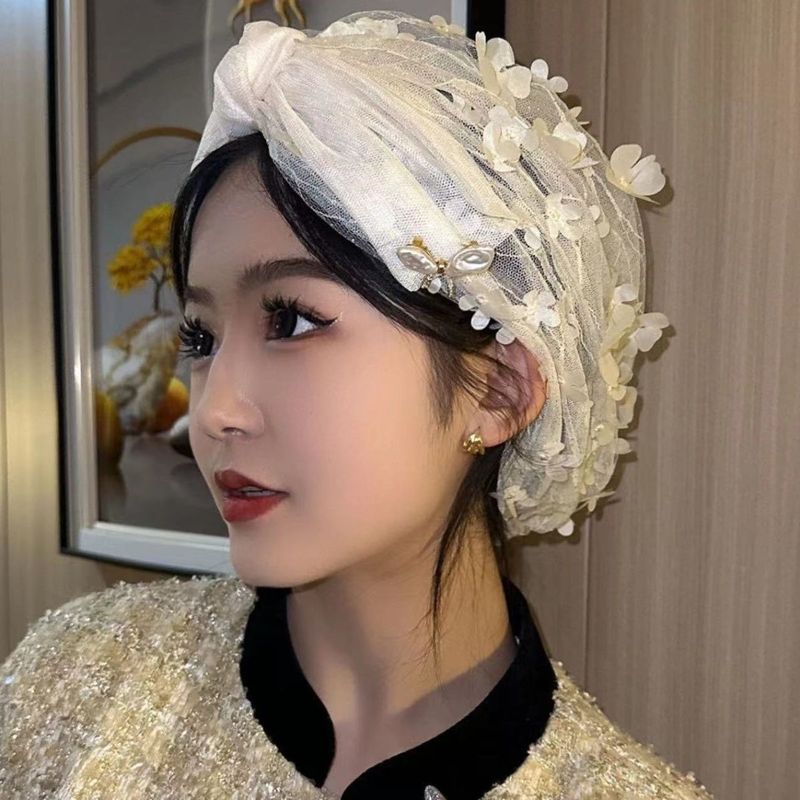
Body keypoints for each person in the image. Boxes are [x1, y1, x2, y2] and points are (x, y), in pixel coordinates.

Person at [0, 10, 714, 799]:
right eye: (201, 337)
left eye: (292, 321)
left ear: (498, 391)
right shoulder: (76, 683)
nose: (213, 412)